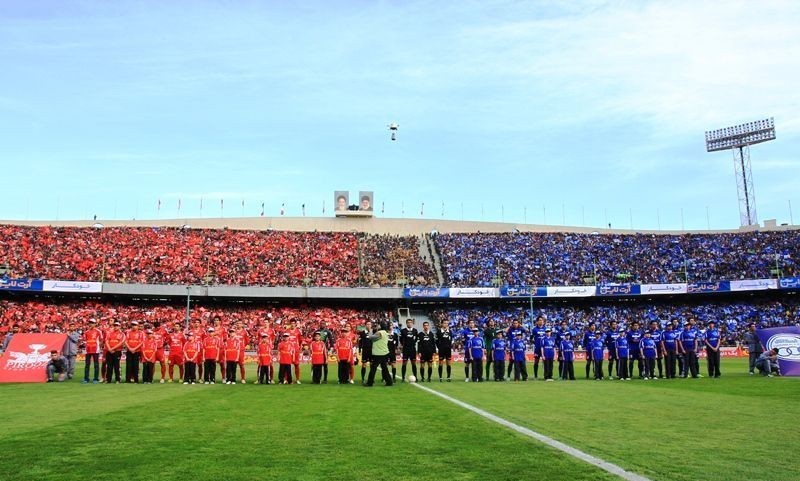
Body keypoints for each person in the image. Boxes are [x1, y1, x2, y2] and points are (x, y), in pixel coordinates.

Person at [364, 321, 392, 387]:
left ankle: (369, 383)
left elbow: (371, 337)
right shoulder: (385, 332)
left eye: (378, 325)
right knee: (384, 368)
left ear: (381, 326)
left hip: (378, 353)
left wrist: (370, 331)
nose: (377, 326)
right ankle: (389, 381)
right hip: (384, 352)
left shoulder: (380, 332)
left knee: (373, 368)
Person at [82, 319, 103, 384]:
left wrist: (98, 346)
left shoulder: (98, 331)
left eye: (92, 323)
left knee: (96, 365)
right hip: (87, 350)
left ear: (95, 324)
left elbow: (101, 340)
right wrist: (86, 345)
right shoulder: (86, 332)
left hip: (95, 350)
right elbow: (84, 340)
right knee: (87, 365)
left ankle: (96, 379)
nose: (91, 324)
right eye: (90, 323)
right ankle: (86, 378)